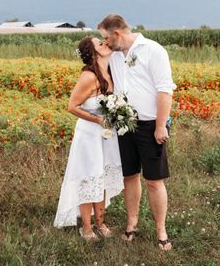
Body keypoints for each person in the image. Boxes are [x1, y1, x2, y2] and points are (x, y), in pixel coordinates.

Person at [97, 14, 176, 251]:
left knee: (154, 180)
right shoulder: (113, 55)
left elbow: (165, 90)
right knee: (129, 176)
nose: (105, 43)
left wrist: (161, 126)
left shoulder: (153, 50)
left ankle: (161, 230)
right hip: (124, 124)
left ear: (117, 34)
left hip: (151, 125)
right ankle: (132, 223)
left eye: (106, 38)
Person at [53, 37, 124, 239]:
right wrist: (97, 120)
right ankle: (86, 227)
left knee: (100, 176)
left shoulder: (109, 73)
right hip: (89, 134)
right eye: (100, 44)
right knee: (89, 177)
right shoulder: (88, 77)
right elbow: (72, 106)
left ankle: (100, 223)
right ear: (94, 54)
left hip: (106, 135)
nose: (105, 44)